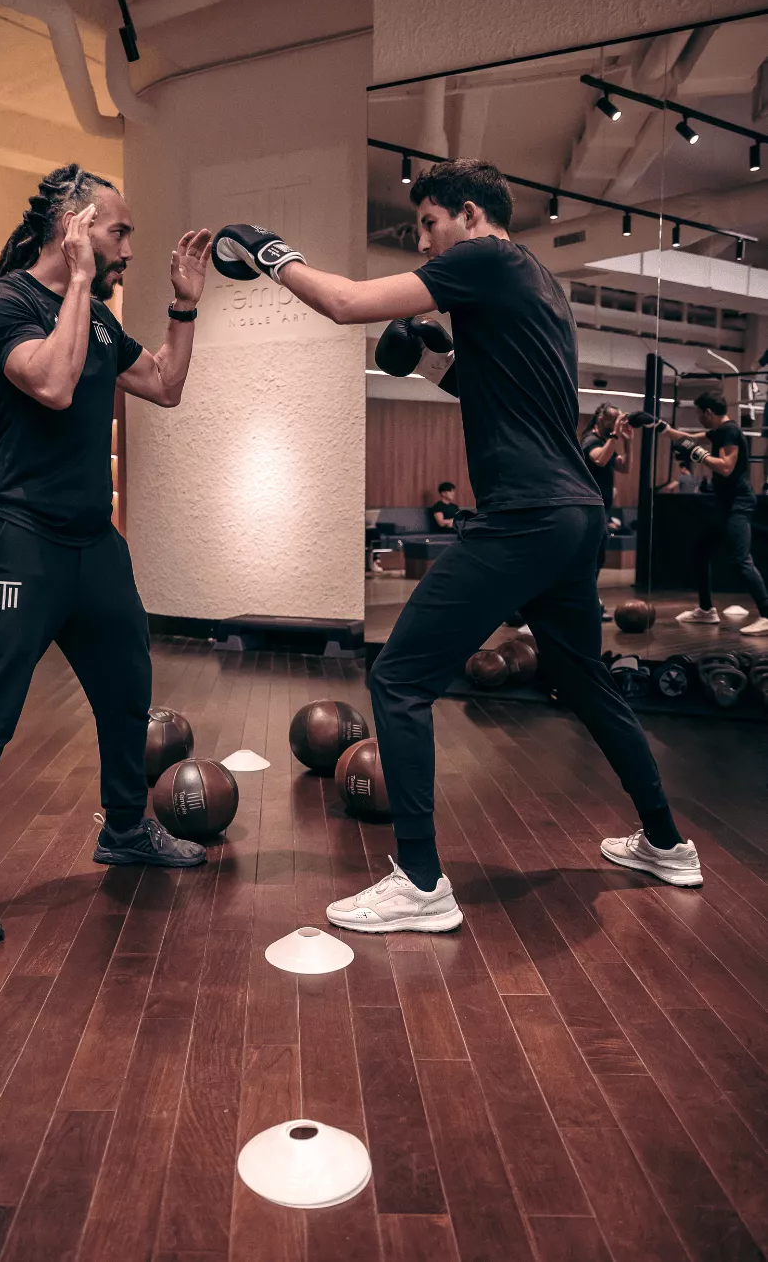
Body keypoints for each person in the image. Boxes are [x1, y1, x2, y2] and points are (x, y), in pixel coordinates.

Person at [212, 159, 703, 931]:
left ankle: (419, 881)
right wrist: (436, 353)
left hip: (529, 514)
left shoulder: (483, 259)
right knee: (583, 684)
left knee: (401, 676)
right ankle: (669, 844)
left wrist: (270, 251)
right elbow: (487, 389)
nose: (426, 245)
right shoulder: (539, 284)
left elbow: (346, 304)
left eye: (429, 226)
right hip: (575, 515)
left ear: (470, 214)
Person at [0, 163, 213, 946]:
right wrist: (77, 281)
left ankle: (126, 829)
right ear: (73, 229)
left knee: (127, 688)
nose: (128, 248)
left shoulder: (103, 322)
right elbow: (54, 384)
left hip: (91, 541)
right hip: (23, 540)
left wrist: (184, 306)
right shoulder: (5, 300)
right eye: (118, 231)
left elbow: (168, 386)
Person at [666, 390, 768, 635]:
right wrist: (658, 426)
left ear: (708, 412)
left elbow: (725, 467)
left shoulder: (730, 431)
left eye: (699, 413)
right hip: (725, 504)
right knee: (701, 551)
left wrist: (699, 454)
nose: (699, 418)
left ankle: (767, 615)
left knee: (741, 560)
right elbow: (687, 438)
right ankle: (705, 610)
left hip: (738, 504)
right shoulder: (719, 432)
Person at [579, 402, 632, 621]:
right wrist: (616, 435)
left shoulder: (606, 440)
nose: (615, 424)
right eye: (612, 420)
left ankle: (588, 598)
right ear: (600, 418)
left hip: (600, 509)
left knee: (597, 555)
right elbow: (599, 459)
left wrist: (628, 443)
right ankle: (587, 600)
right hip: (587, 509)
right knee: (593, 556)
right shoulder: (591, 440)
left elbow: (624, 467)